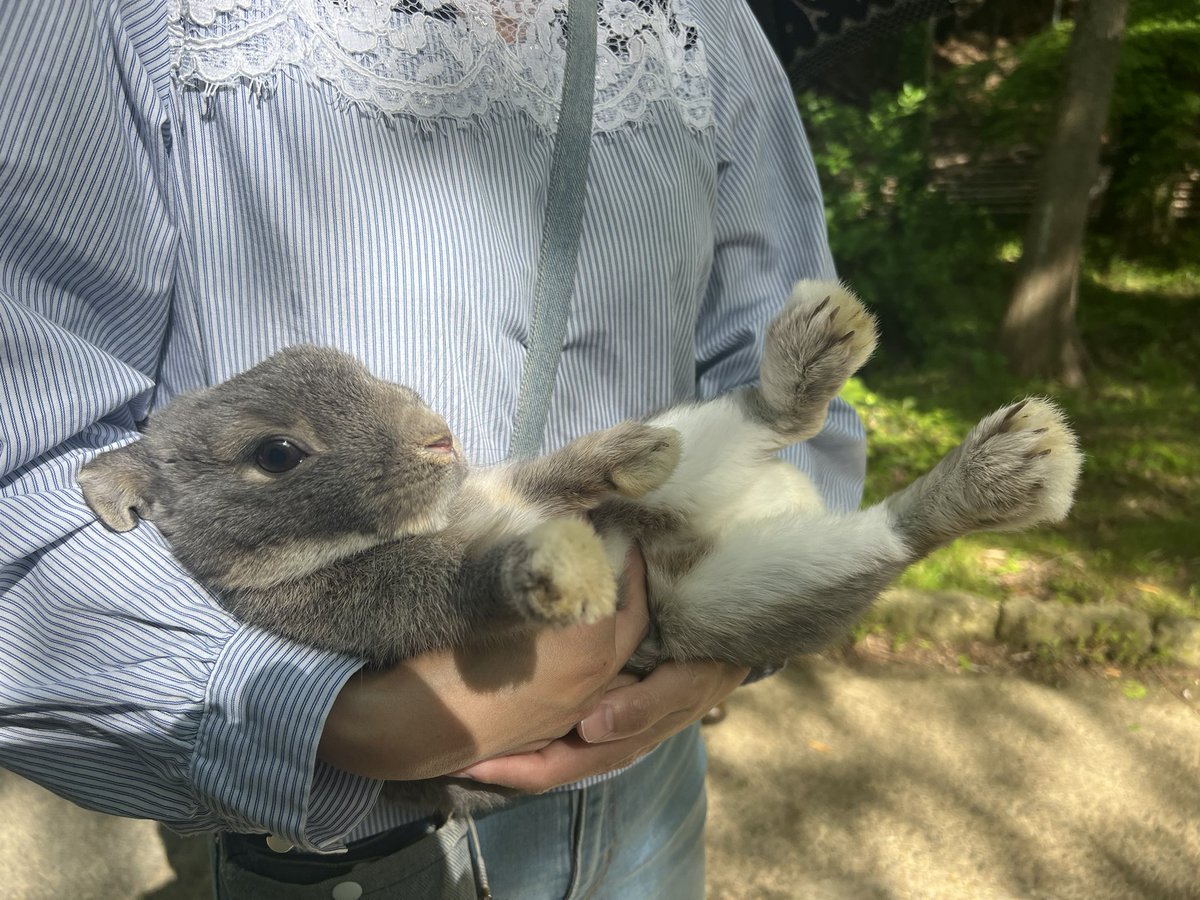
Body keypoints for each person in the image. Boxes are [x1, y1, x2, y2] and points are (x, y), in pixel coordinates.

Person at [0, 0, 865, 896]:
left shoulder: (705, 21)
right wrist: (314, 714)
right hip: (354, 834)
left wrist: (727, 633)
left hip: (650, 782)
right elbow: (24, 447)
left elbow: (782, 355)